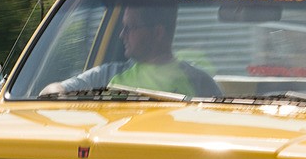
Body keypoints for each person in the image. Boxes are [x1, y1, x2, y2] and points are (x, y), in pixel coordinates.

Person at [40, 6, 220, 97]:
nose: (121, 34)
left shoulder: (200, 83)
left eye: (130, 27)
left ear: (157, 32)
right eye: (122, 27)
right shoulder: (106, 75)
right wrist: (54, 94)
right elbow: (54, 90)